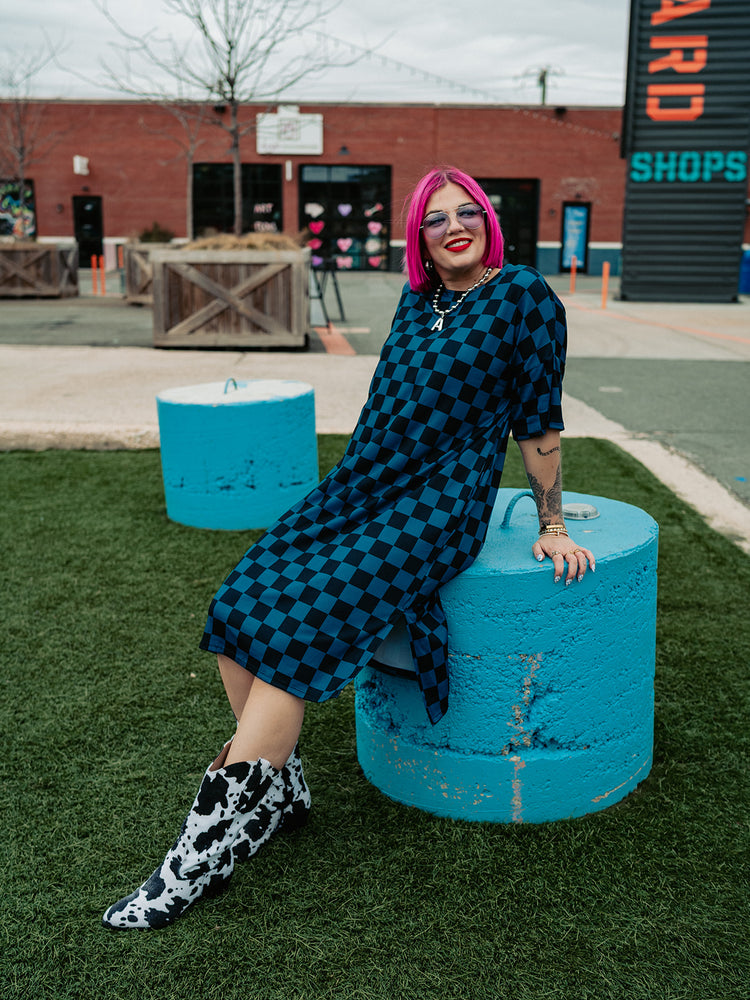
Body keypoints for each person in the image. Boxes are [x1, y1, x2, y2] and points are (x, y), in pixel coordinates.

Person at [102, 166, 595, 930]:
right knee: (239, 601)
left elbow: (538, 423)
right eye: (437, 219)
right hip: (361, 490)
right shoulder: (416, 299)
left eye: (469, 213)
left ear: (489, 224)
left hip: (435, 508)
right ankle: (283, 788)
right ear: (419, 239)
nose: (455, 225)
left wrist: (551, 521)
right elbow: (381, 414)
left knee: (298, 633)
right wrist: (338, 500)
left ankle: (198, 858)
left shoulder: (524, 295)